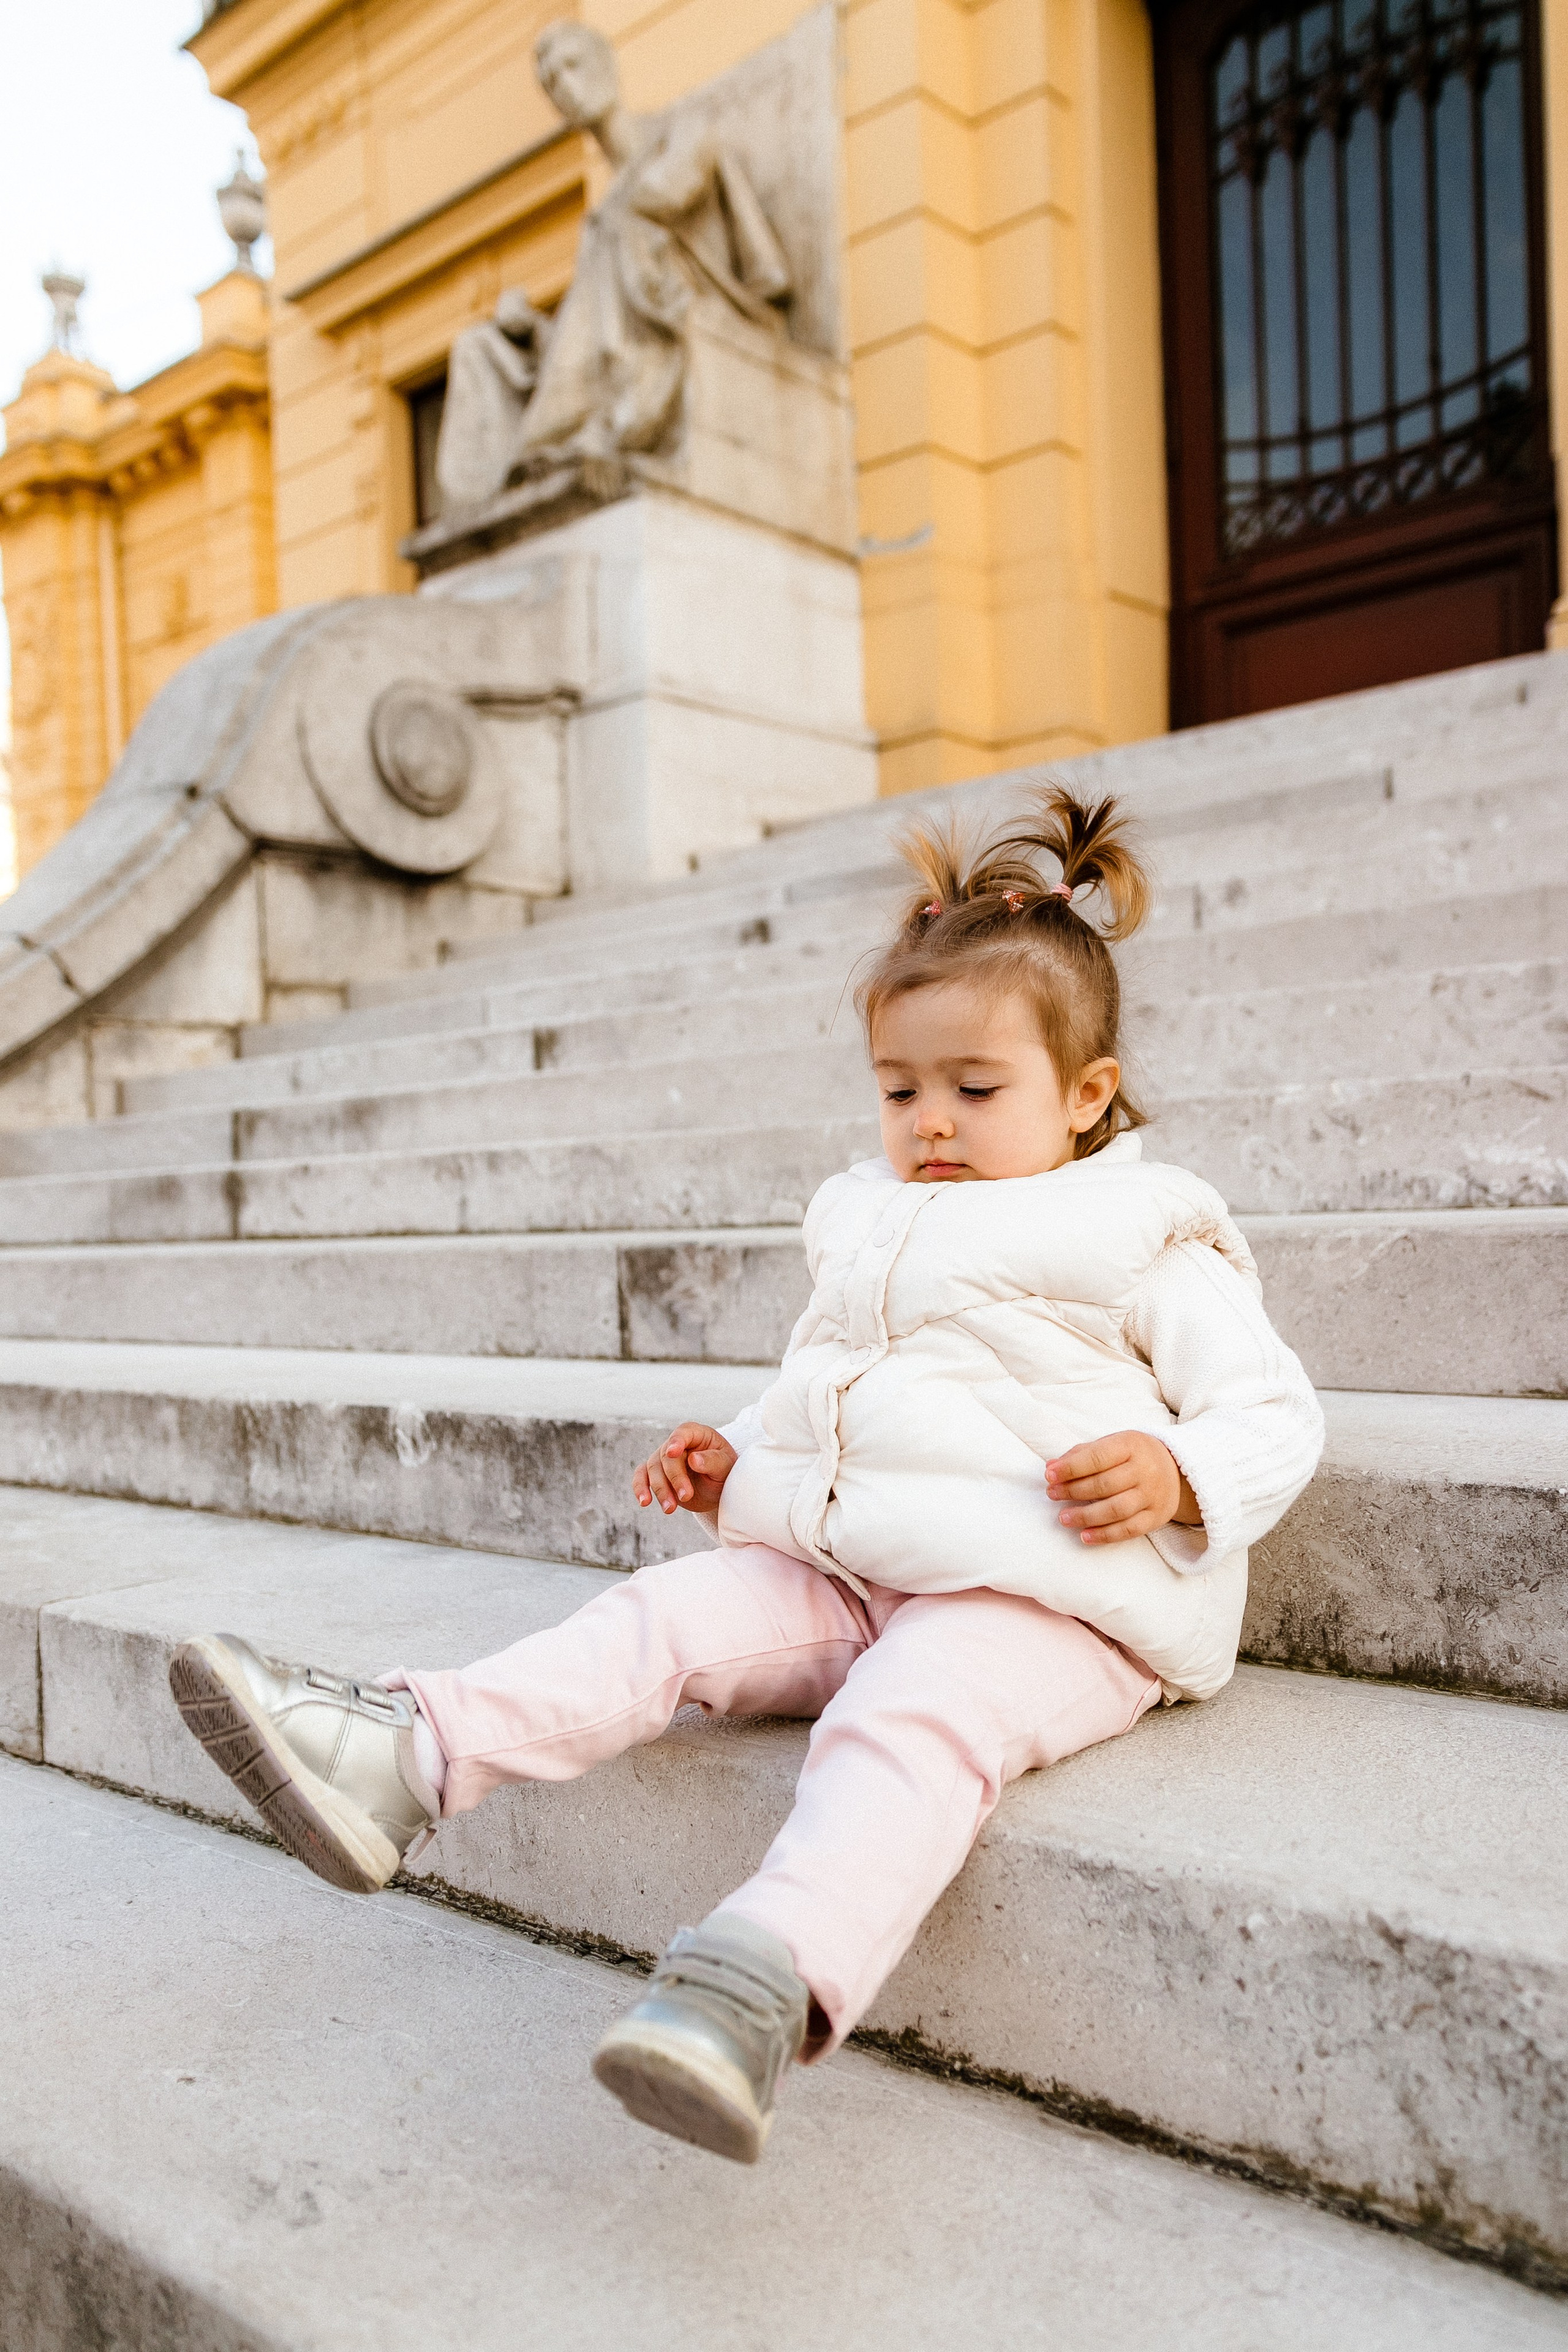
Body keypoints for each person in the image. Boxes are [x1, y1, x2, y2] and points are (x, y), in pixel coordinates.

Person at [169, 786, 1324, 2165]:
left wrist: (1179, 1470)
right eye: (900, 1090)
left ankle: (761, 1979)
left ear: (1082, 1097)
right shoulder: (868, 1220)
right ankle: (401, 1756)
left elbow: (1270, 1410)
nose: (930, 1122)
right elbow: (828, 1388)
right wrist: (741, 1464)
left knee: (911, 1716)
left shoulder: (1138, 1230)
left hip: (1048, 1598)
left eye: (974, 1089)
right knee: (665, 1618)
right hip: (855, 1559)